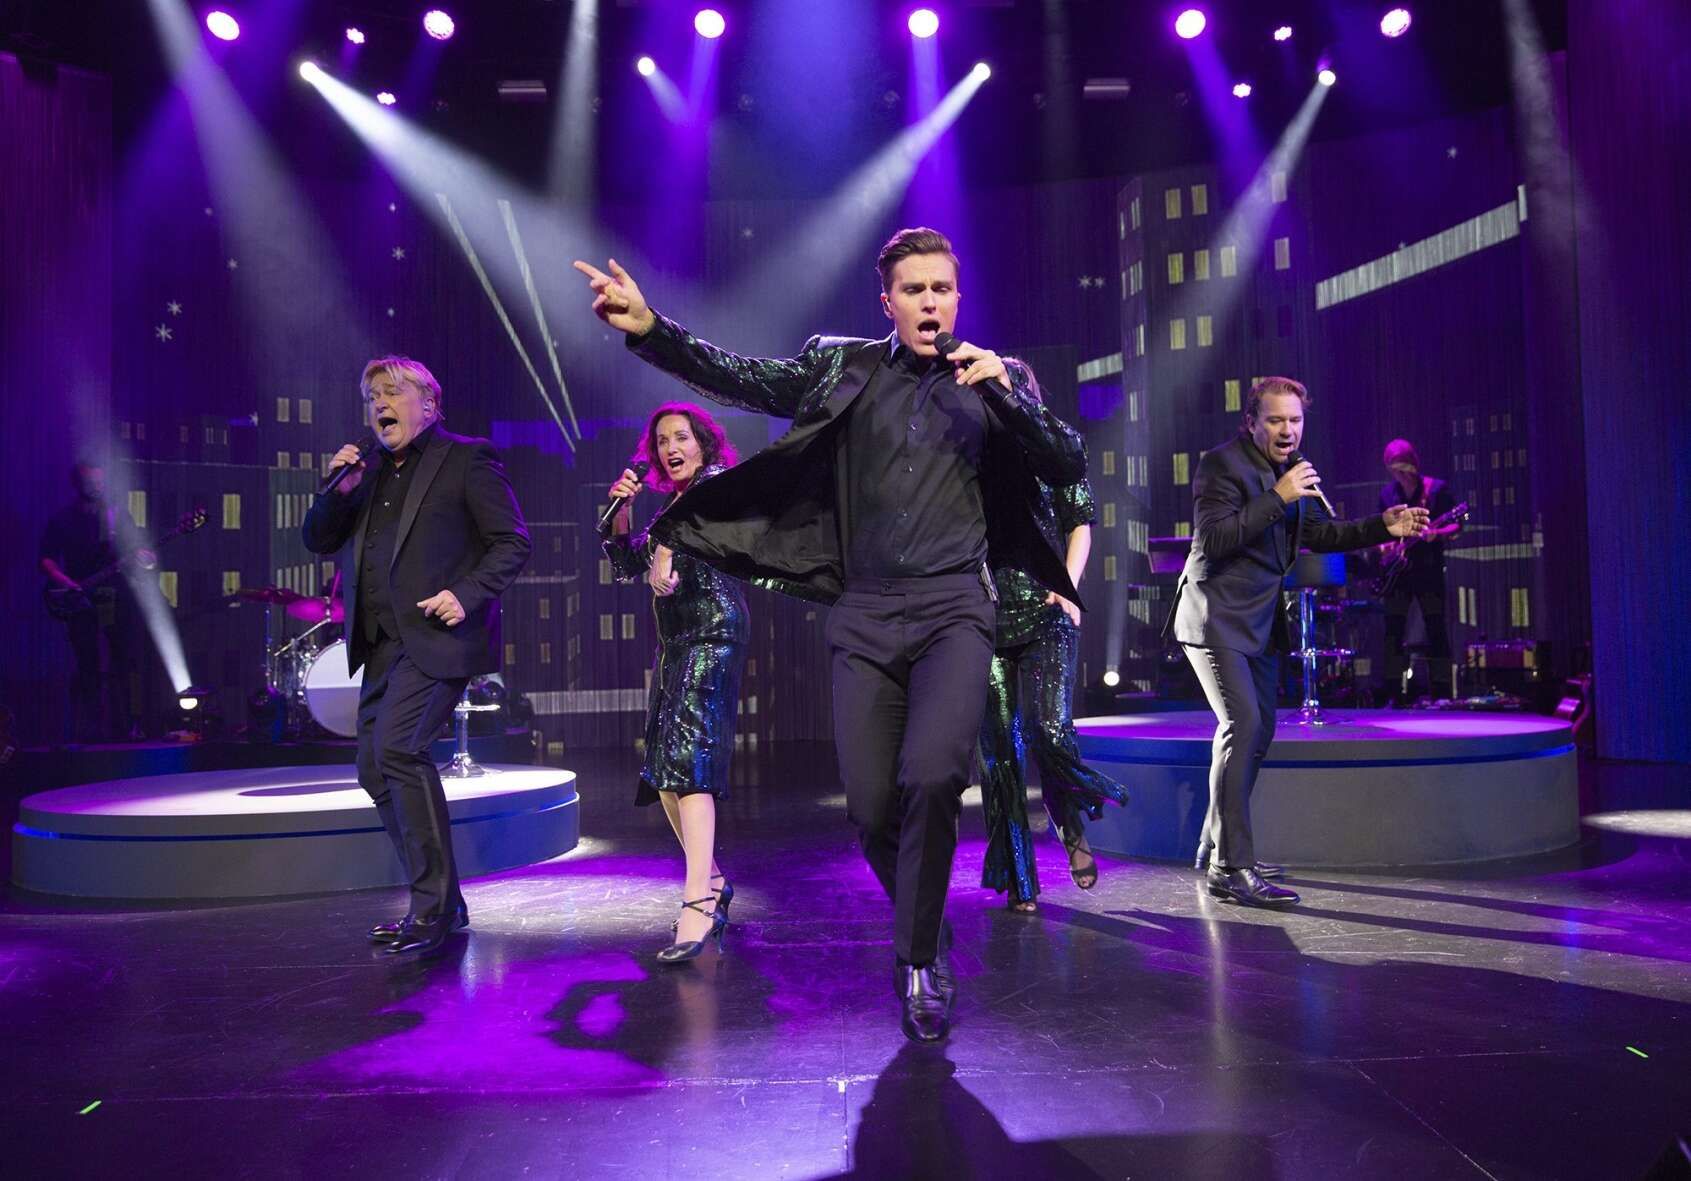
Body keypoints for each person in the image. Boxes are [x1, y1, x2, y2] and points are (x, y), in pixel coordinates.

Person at [573, 228, 1086, 1042]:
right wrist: (650, 329)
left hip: (956, 607)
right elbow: (743, 377)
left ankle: (919, 957)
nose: (929, 301)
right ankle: (926, 926)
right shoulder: (843, 368)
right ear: (888, 303)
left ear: (957, 298)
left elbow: (1065, 465)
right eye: (913, 289)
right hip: (866, 611)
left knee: (931, 775)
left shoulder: (989, 381)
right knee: (872, 806)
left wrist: (1008, 398)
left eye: (941, 288)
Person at [1166, 378, 1428, 907]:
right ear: (1252, 422)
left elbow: (1324, 535)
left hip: (1260, 621)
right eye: (1276, 420)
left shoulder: (1293, 470)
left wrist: (1384, 525)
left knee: (1257, 733)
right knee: (1242, 725)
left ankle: (1219, 844)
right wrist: (1277, 497)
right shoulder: (1221, 464)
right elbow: (1214, 539)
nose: (1288, 430)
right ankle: (1229, 866)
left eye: (1295, 420)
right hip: (1215, 616)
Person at [303, 356, 531, 956]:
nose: (380, 403)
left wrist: (466, 593)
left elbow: (512, 541)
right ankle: (443, 903)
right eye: (372, 396)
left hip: (436, 637)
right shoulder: (365, 472)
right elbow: (317, 539)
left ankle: (431, 910)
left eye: (392, 392)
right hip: (380, 644)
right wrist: (337, 493)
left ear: (428, 404)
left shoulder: (466, 458)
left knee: (400, 750)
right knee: (374, 768)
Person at [602, 402, 748, 963]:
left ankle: (697, 903)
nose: (670, 449)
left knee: (689, 764)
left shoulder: (717, 485)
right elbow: (626, 563)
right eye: (662, 441)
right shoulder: (670, 505)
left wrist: (666, 546)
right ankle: (713, 879)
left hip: (713, 635)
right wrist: (623, 511)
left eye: (680, 437)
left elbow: (695, 524)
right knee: (664, 770)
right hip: (677, 644)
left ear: (703, 443)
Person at [978, 472, 1127, 913]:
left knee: (1050, 732)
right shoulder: (970, 450)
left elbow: (1079, 520)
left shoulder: (1052, 447)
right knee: (1001, 752)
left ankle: (1068, 816)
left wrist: (1069, 585)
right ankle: (1020, 880)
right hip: (985, 617)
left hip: (1048, 609)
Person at [38, 461, 148, 743]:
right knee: (87, 662)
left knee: (124, 659)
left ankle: (128, 725)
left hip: (115, 596)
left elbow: (135, 549)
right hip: (81, 598)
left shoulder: (117, 515)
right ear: (78, 484)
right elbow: (47, 559)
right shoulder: (63, 519)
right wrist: (66, 582)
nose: (97, 487)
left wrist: (145, 558)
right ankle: (90, 729)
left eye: (100, 481)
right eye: (91, 482)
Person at [1377, 439, 1460, 702]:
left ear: (1413, 463)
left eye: (1403, 467)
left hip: (1428, 569)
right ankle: (1393, 694)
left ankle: (1442, 693)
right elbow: (1381, 531)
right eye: (1394, 469)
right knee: (1393, 632)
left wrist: (1438, 533)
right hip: (1398, 573)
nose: (1400, 474)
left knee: (1436, 628)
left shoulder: (1435, 490)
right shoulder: (1388, 495)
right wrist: (1386, 547)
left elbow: (1458, 523)